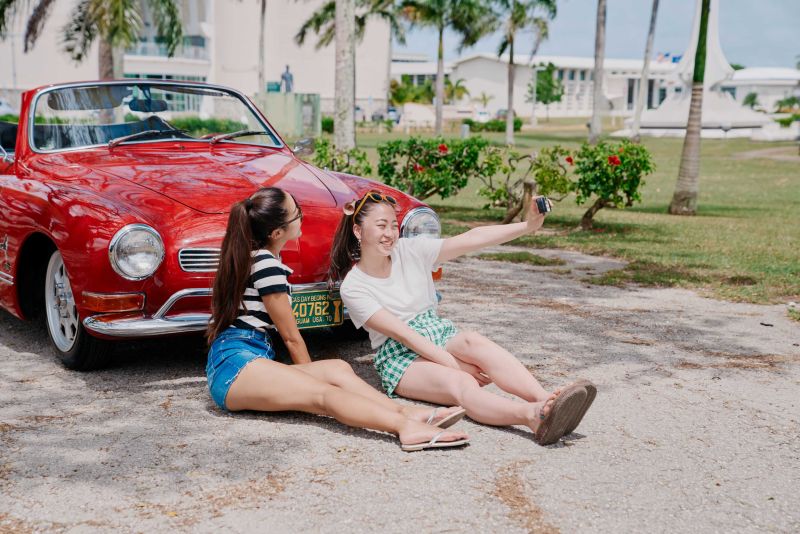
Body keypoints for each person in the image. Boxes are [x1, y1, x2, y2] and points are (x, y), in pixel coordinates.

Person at [206, 187, 469, 452]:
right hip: (236, 365)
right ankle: (404, 428)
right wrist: (312, 381)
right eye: (297, 214)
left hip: (244, 357)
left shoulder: (255, 258)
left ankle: (405, 411)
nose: (302, 217)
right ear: (277, 233)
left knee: (338, 369)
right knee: (326, 394)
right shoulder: (267, 265)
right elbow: (291, 337)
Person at [330, 191, 597, 446]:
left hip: (437, 332)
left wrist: (526, 226)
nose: (389, 234)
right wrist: (456, 366)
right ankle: (534, 416)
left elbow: (472, 238)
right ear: (358, 230)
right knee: (461, 382)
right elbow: (405, 335)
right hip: (399, 355)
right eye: (380, 226)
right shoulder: (354, 286)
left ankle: (549, 401)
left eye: (393, 225)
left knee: (472, 340)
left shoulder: (410, 250)